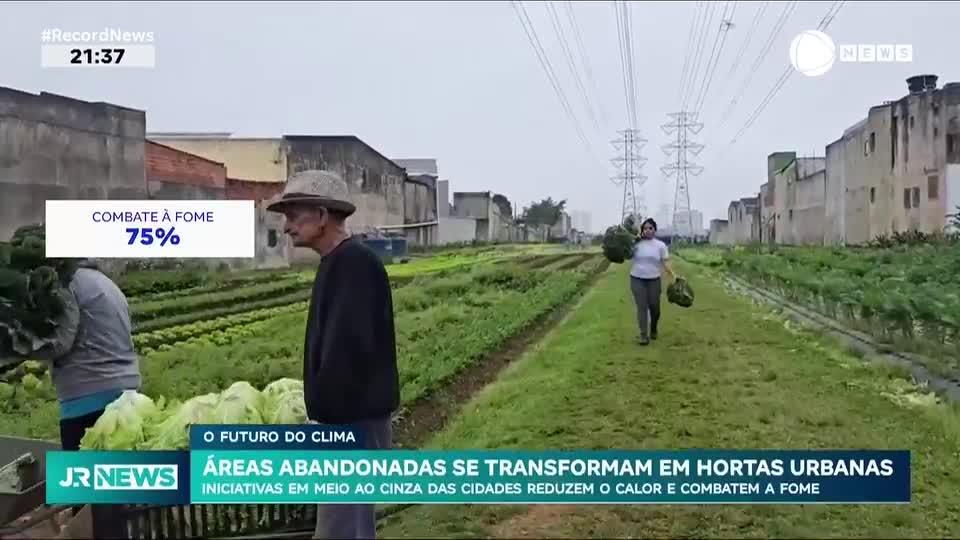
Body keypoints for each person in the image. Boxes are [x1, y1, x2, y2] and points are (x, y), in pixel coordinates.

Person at [266, 169, 399, 540]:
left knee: (340, 531)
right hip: (348, 423)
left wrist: (323, 422)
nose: (288, 226)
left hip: (352, 426)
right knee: (350, 527)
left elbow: (347, 353)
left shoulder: (353, 265)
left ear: (322, 216)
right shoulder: (338, 262)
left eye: (294, 215)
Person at [629, 218, 677, 346]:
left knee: (655, 308)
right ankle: (644, 335)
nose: (648, 230)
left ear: (655, 230)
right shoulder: (636, 244)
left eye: (651, 228)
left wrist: (672, 274)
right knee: (642, 307)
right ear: (642, 230)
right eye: (645, 228)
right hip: (637, 278)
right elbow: (626, 255)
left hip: (654, 279)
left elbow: (665, 261)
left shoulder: (660, 245)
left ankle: (654, 327)